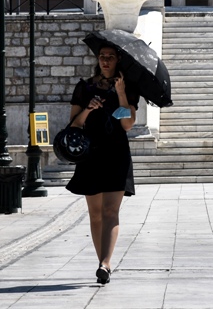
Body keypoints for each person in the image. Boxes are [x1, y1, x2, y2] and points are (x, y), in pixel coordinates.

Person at [66, 44, 139, 285]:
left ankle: (105, 263)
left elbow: (127, 124)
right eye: (102, 56)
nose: (105, 60)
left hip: (116, 153)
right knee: (95, 213)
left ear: (118, 60)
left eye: (110, 57)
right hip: (91, 154)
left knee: (110, 211)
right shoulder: (84, 87)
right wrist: (88, 109)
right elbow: (74, 125)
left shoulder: (128, 87)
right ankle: (102, 264)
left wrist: (120, 93)